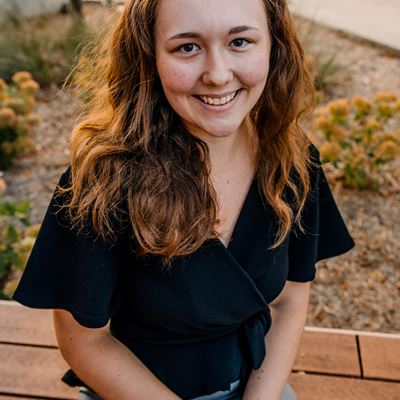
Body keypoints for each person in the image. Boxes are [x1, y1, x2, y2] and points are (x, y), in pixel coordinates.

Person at [13, 0, 355, 399]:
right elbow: (86, 342)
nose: (218, 75)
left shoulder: (292, 161)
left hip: (256, 383)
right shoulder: (103, 182)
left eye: (240, 42)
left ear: (273, 46)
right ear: (149, 57)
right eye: (187, 47)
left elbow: (290, 301)